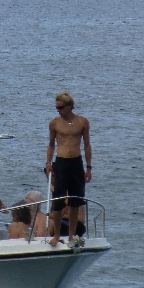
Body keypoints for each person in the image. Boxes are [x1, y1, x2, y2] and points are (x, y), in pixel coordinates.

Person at [45, 91, 92, 247]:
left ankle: (72, 234)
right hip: (61, 162)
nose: (58, 110)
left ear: (70, 106)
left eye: (60, 107)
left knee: (75, 201)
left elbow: (86, 145)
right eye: (56, 107)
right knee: (58, 201)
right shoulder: (55, 123)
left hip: (76, 163)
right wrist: (48, 162)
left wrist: (89, 167)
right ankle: (57, 234)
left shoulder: (82, 122)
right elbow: (51, 144)